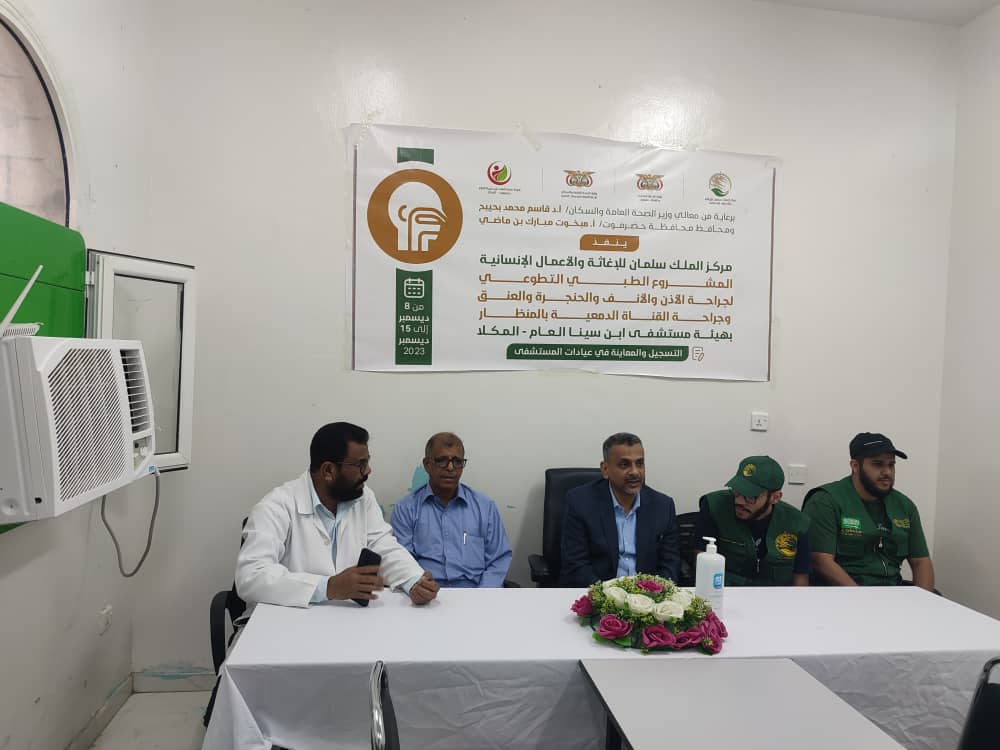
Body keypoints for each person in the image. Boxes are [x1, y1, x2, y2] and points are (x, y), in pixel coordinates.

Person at [235, 422, 440, 614]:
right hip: (285, 621)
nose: (368, 471)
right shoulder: (276, 506)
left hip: (345, 619)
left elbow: (383, 545)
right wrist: (328, 587)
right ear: (328, 471)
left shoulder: (362, 497)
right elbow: (251, 576)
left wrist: (413, 580)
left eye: (367, 462)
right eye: (360, 464)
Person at [803, 432, 935, 590]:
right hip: (842, 593)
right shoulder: (825, 501)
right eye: (878, 464)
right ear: (855, 466)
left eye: (891, 465)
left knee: (937, 598)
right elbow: (821, 561)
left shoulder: (905, 506)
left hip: (891, 590)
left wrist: (925, 600)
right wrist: (863, 598)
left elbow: (921, 561)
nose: (887, 472)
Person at [390, 432, 513, 588]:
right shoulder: (406, 509)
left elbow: (498, 560)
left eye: (457, 461)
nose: (450, 467)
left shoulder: (484, 507)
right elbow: (402, 562)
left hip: (476, 592)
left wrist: (482, 595)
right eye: (442, 461)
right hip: (426, 593)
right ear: (427, 465)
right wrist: (418, 588)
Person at [559, 432, 680, 587]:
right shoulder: (580, 502)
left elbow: (670, 564)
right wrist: (608, 595)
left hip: (647, 595)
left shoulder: (663, 506)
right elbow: (576, 565)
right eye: (624, 465)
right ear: (605, 469)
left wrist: (651, 593)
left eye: (640, 463)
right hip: (598, 591)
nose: (635, 472)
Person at [695, 456, 811, 586]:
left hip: (776, 595)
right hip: (726, 591)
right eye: (736, 492)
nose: (738, 501)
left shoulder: (797, 522)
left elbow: (801, 578)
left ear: (775, 497)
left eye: (750, 497)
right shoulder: (714, 506)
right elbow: (701, 562)